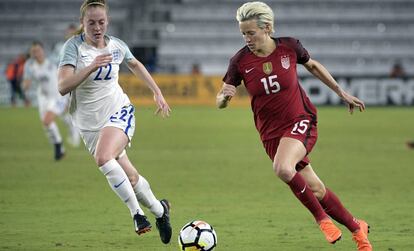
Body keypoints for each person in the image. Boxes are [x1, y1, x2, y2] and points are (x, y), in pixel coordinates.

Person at [216, 2, 372, 250]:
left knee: (283, 169)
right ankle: (357, 228)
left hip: (301, 119)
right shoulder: (239, 61)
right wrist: (224, 97)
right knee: (316, 189)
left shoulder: (289, 47)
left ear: (266, 28)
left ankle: (322, 221)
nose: (246, 38)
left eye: (250, 33)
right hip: (270, 134)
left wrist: (342, 93)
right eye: (243, 33)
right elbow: (220, 101)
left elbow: (313, 65)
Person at [57, 0, 172, 244]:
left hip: (118, 111)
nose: (97, 27)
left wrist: (157, 92)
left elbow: (135, 64)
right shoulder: (73, 48)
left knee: (103, 157)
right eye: (91, 23)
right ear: (82, 23)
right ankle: (161, 211)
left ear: (107, 21)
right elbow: (63, 87)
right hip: (89, 124)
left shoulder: (116, 45)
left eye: (101, 22)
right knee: (129, 177)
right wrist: (90, 67)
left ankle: (137, 215)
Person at [23, 41, 76, 160]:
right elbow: (26, 81)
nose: (36, 53)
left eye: (38, 50)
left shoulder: (54, 61)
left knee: (47, 120)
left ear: (43, 51)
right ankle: (62, 146)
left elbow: (67, 74)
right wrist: (25, 87)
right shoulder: (30, 65)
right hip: (43, 97)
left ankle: (58, 147)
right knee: (47, 124)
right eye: (33, 52)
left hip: (59, 96)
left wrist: (70, 95)